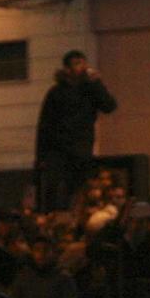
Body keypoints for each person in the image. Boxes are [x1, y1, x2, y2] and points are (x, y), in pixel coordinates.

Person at [35, 51, 117, 211]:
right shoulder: (56, 92)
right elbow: (44, 125)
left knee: (79, 190)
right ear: (67, 69)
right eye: (77, 63)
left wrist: (97, 83)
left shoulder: (90, 89)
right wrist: (41, 156)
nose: (83, 67)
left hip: (81, 150)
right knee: (57, 191)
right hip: (57, 151)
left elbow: (109, 106)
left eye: (84, 63)